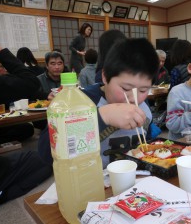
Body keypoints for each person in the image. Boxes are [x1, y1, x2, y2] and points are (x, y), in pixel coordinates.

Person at [38, 38, 159, 168]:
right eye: (125, 88)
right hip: (93, 182)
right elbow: (45, 154)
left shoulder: (143, 104)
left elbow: (148, 140)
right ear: (105, 77)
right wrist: (101, 117)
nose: (133, 98)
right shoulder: (81, 100)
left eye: (143, 90)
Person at [0, 39, 52, 206]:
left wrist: (45, 95)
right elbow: (30, 86)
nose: (56, 67)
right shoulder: (39, 76)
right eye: (1, 66)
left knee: (25, 129)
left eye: (59, 63)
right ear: (46, 65)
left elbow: (32, 92)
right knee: (46, 158)